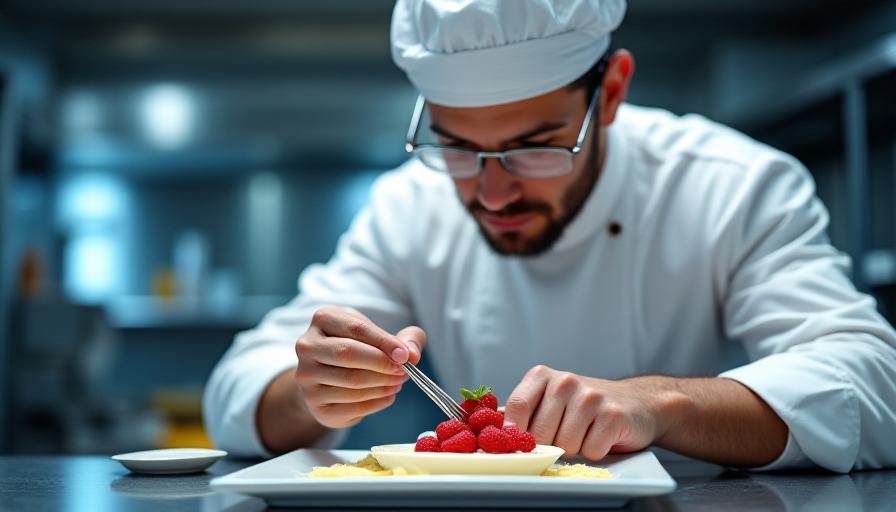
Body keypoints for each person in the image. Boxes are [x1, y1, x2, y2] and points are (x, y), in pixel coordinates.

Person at [203, 0, 896, 472]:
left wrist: (661, 404)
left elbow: (873, 382)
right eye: (458, 147)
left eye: (536, 148)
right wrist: (311, 390)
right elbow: (233, 390)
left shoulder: (732, 185)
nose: (493, 190)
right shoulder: (407, 205)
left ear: (613, 94)